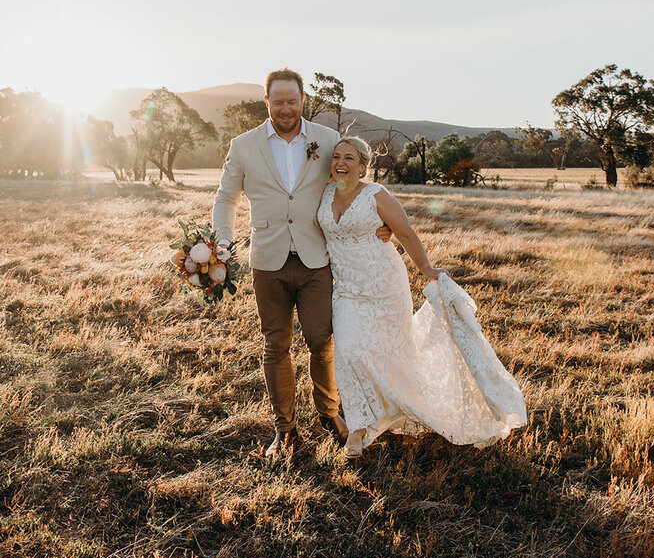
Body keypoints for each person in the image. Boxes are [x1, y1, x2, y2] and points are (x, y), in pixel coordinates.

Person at [212, 69, 391, 458]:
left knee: (321, 341)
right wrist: (223, 241)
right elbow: (225, 198)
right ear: (267, 102)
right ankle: (286, 429)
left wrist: (379, 223)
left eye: (292, 101)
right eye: (278, 102)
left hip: (316, 260)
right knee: (275, 344)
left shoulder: (326, 141)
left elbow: (351, 180)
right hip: (268, 262)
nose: (286, 108)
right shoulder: (243, 145)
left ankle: (328, 415)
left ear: (303, 100)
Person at [318, 136, 528, 458]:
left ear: (363, 165)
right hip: (346, 290)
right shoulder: (325, 192)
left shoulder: (376, 194)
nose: (341, 163)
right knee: (348, 352)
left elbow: (404, 232)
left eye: (349, 158)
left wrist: (427, 268)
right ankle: (360, 426)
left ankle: (391, 418)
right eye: (336, 157)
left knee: (394, 355)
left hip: (384, 288)